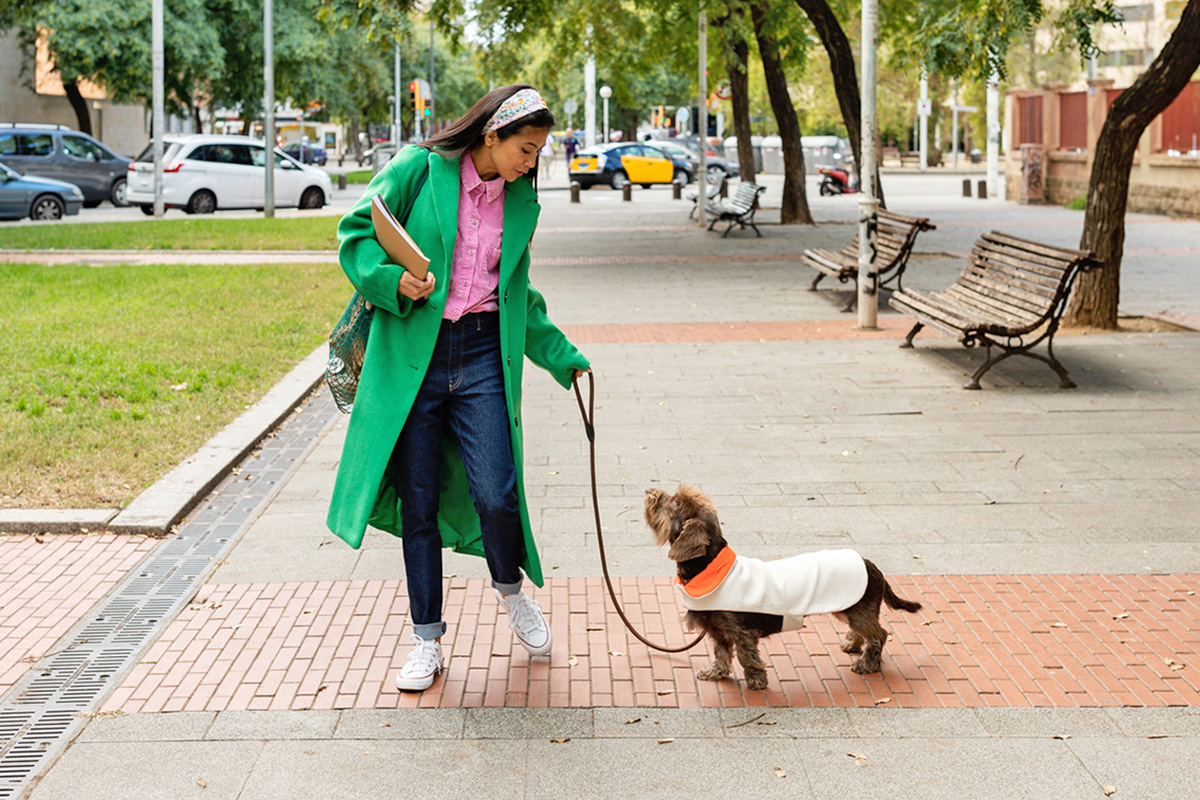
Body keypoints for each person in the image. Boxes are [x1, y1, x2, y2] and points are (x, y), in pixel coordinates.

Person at [326, 85, 590, 692]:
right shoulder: (419, 168)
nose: (532, 163)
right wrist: (392, 280)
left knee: (497, 491)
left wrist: (562, 357)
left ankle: (511, 591)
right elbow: (354, 232)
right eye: (526, 149)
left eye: (539, 153)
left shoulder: (521, 203)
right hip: (414, 356)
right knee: (418, 502)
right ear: (491, 136)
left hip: (481, 356)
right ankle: (426, 640)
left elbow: (520, 295)